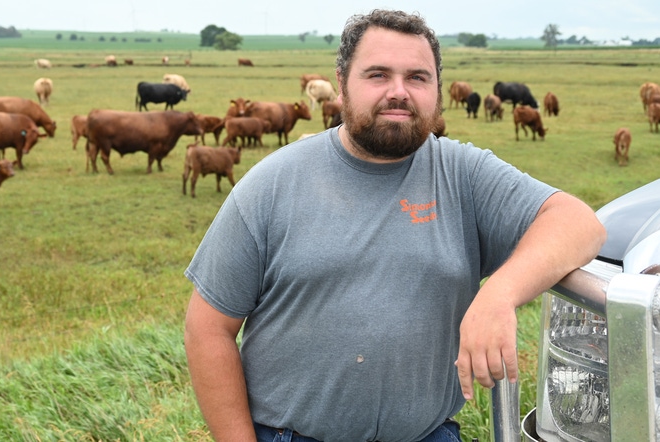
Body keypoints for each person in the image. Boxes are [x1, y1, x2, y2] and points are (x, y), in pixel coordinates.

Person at [183, 9, 606, 442]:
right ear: (342, 81)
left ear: (438, 89)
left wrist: (500, 293)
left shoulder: (463, 173)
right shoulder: (272, 184)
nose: (398, 92)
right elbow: (208, 327)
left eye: (418, 77)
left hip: (428, 434)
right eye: (378, 75)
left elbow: (579, 223)